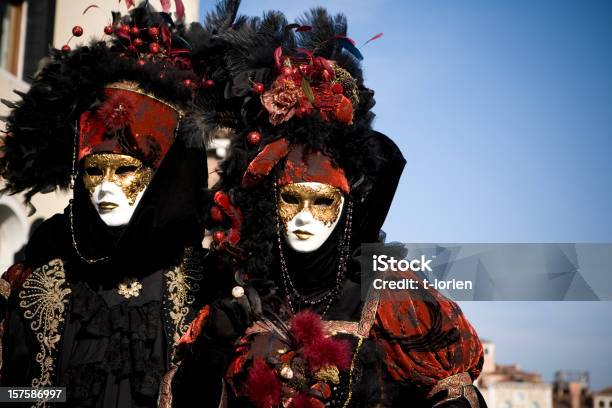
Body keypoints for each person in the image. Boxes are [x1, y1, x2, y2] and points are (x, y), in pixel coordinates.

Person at [168, 7, 487, 408]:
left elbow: (451, 391)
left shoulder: (387, 296)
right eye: (290, 198)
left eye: (322, 201)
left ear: (346, 206)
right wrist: (214, 346)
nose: (303, 217)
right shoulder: (240, 292)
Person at [0, 3, 236, 406]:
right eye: (95, 171)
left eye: (125, 171)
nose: (104, 189)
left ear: (166, 179)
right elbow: (14, 391)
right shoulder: (44, 272)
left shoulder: (204, 287)